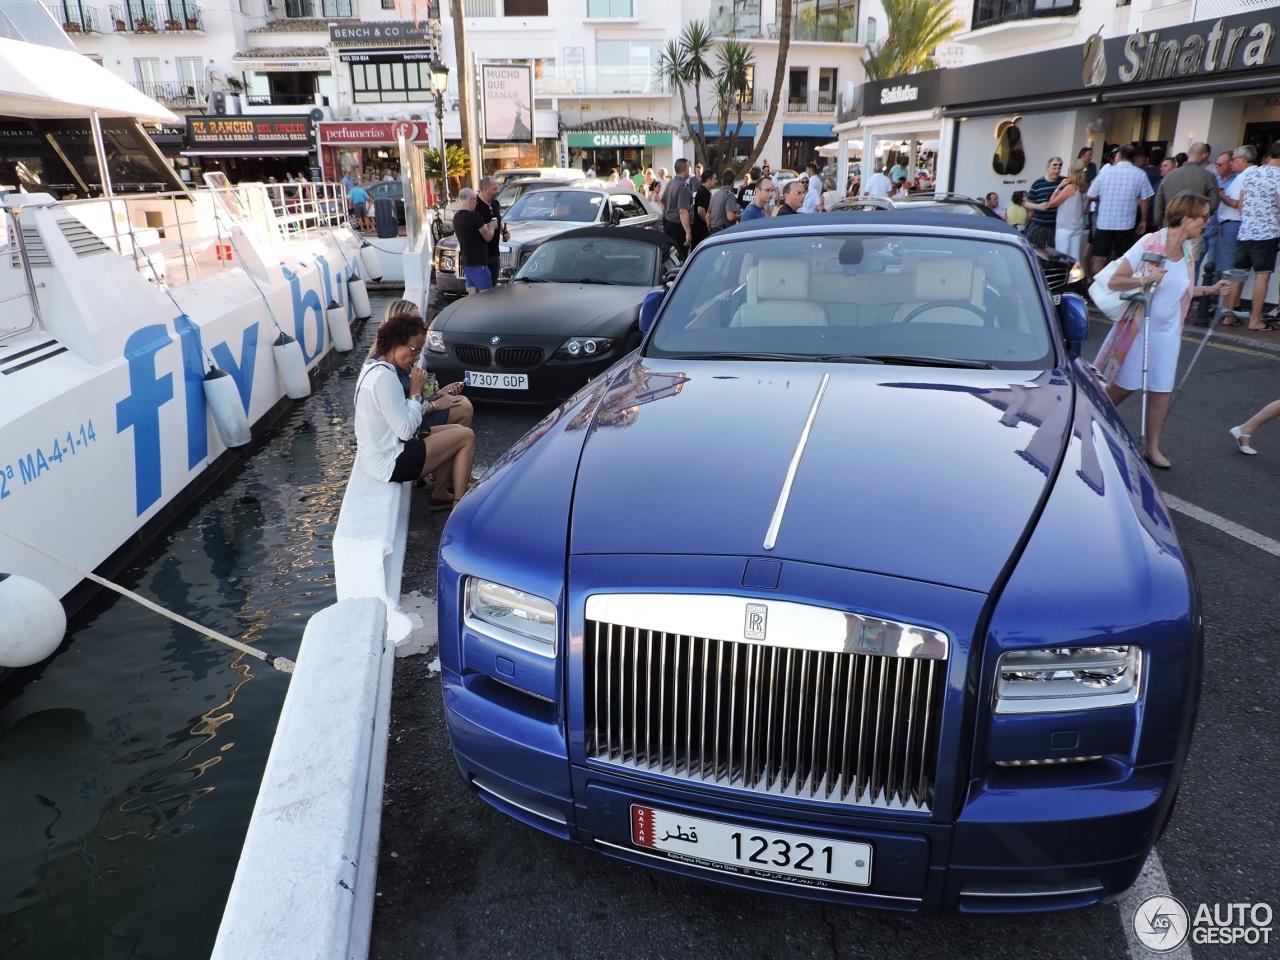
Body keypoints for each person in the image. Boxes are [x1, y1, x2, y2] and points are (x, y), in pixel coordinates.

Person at [1101, 193, 1229, 469]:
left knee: (1161, 390)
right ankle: (1092, 421)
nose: (1207, 222)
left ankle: (1152, 448)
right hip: (1140, 327)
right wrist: (1146, 278)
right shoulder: (1150, 242)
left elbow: (1181, 289)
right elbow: (1115, 280)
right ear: (1186, 219)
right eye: (1204, 217)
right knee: (1125, 385)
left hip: (1168, 331)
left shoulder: (1187, 252)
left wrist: (1209, 289)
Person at [354, 313, 476, 508]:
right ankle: (458, 505)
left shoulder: (372, 368)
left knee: (461, 432)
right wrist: (416, 392)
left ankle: (441, 493)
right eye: (414, 350)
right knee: (466, 438)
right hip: (391, 462)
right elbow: (406, 430)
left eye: (419, 351)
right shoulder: (386, 379)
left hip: (380, 454)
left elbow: (401, 418)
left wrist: (426, 398)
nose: (417, 357)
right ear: (395, 343)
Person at [379, 299, 474, 430]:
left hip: (414, 418)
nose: (419, 328)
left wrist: (439, 393)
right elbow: (403, 416)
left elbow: (413, 399)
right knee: (463, 410)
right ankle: (450, 447)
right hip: (405, 431)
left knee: (461, 403)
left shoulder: (403, 357)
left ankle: (451, 445)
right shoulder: (388, 366)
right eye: (414, 323)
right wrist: (435, 405)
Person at [1222, 143, 1280, 331]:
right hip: (1267, 233)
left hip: (1245, 230)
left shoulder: (1252, 173)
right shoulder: (1279, 176)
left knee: (1238, 274)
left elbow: (1240, 203)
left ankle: (1229, 316)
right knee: (1262, 277)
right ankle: (1255, 320)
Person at [1086, 144, 1154, 279]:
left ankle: (1095, 288)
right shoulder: (1140, 174)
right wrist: (1143, 221)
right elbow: (1146, 200)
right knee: (1122, 258)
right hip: (1126, 223)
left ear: (1119, 156)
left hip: (1104, 222)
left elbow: (1091, 194)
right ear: (1134, 158)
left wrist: (1105, 196)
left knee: (1099, 257)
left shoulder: (1105, 173)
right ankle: (1114, 288)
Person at [451, 187, 498, 294]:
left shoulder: (456, 217)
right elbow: (488, 237)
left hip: (466, 261)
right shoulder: (475, 216)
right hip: (478, 262)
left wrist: (485, 226)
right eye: (476, 201)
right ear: (471, 200)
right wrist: (493, 227)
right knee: (487, 294)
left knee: (472, 293)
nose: (476, 204)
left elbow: (471, 232)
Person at [1206, 150, 1241, 287]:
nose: (1217, 167)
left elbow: (1236, 203)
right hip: (1210, 226)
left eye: (1220, 164)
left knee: (1222, 265)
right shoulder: (1216, 179)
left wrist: (1220, 194)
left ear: (1230, 164)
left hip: (1225, 227)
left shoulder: (1237, 180)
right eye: (1216, 164)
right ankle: (1206, 299)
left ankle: (1217, 300)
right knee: (1208, 264)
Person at [1051, 159, 1090, 261]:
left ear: (1072, 171)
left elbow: (1052, 203)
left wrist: (1058, 187)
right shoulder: (1084, 188)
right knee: (1075, 257)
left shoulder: (1070, 187)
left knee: (1062, 256)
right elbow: (1086, 210)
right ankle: (1076, 277)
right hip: (1078, 226)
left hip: (1065, 226)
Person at [1022, 157, 1064, 249]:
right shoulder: (1038, 184)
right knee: (1034, 250)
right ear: (1047, 168)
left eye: (1059, 168)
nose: (1057, 171)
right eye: (1054, 168)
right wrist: (1039, 206)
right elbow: (1026, 203)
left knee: (1054, 254)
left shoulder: (1064, 182)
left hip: (1056, 226)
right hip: (1039, 225)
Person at [474, 176, 509, 288]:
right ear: (485, 190)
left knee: (493, 286)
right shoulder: (476, 206)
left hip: (495, 254)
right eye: (495, 189)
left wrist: (503, 231)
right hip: (482, 257)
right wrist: (491, 227)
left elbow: (497, 221)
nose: (498, 191)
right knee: (482, 289)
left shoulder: (495, 204)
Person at [660, 158, 695, 254]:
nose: (690, 170)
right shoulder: (683, 186)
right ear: (684, 169)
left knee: (671, 255)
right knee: (681, 256)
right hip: (678, 227)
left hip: (668, 223)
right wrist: (688, 232)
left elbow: (663, 202)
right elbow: (683, 211)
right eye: (689, 167)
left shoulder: (670, 183)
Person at [708, 167, 740, 233]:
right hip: (724, 231)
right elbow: (730, 217)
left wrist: (710, 229)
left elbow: (707, 216)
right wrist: (741, 215)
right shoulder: (729, 195)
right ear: (733, 180)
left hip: (713, 230)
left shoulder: (715, 195)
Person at [691, 169, 716, 248]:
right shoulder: (703, 192)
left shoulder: (703, 191)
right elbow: (700, 211)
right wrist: (709, 223)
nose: (716, 181)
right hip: (700, 230)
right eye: (714, 179)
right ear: (708, 180)